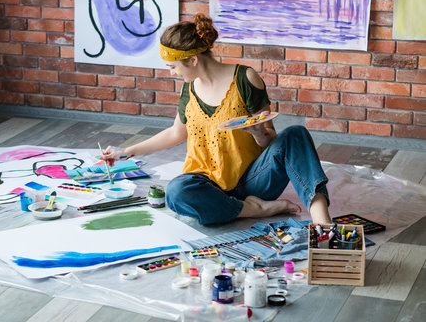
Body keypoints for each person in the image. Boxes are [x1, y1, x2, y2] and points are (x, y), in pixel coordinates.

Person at [101, 13, 331, 226]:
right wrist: (126, 151)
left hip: (254, 180)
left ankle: (323, 223)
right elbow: (176, 133)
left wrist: (259, 132)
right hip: (207, 184)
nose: (171, 72)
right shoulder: (188, 90)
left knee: (295, 135)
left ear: (192, 60)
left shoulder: (246, 78)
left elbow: (269, 139)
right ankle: (253, 210)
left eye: (172, 66)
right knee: (176, 192)